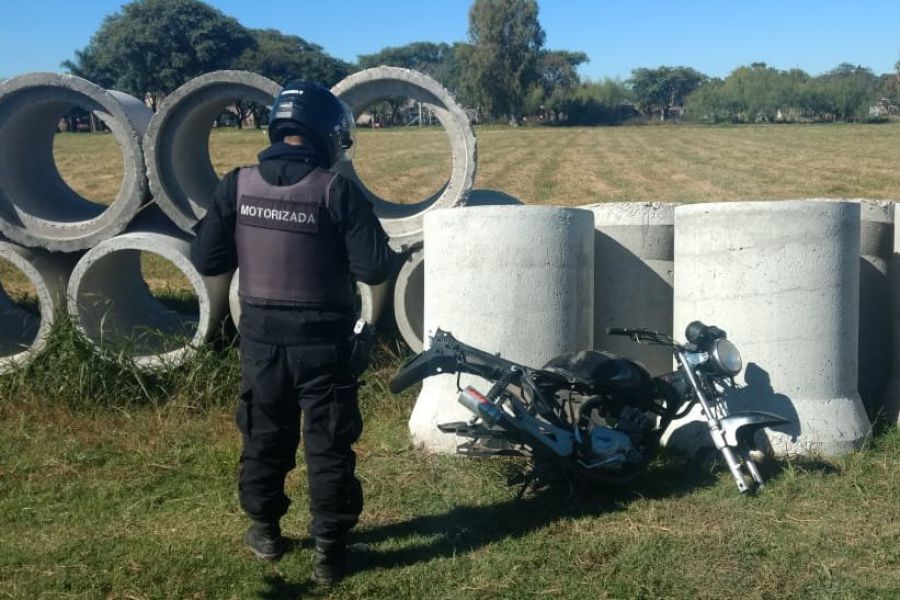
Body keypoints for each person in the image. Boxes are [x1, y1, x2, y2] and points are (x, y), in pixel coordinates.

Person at [190, 80, 398, 584]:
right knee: (328, 445)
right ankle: (330, 550)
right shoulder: (335, 189)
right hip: (324, 343)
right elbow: (373, 268)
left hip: (260, 339)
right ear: (326, 133)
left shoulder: (236, 184)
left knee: (264, 434)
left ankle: (265, 530)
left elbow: (207, 258)